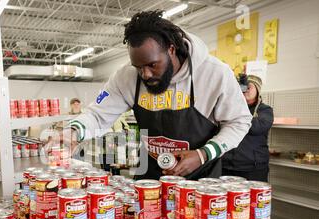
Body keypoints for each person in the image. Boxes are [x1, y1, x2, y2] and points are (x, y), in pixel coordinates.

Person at [52, 11, 252, 180]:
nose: (145, 74)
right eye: (138, 67)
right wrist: (74, 132)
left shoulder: (214, 74)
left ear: (171, 49)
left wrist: (202, 154)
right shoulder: (126, 77)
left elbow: (239, 121)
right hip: (150, 178)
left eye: (152, 65)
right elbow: (97, 115)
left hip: (200, 180)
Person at [222, 75, 274, 182]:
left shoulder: (265, 110)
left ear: (258, 90)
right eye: (242, 87)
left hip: (253, 168)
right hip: (227, 166)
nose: (245, 90)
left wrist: (239, 110)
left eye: (249, 87)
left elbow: (257, 127)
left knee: (253, 198)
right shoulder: (232, 108)